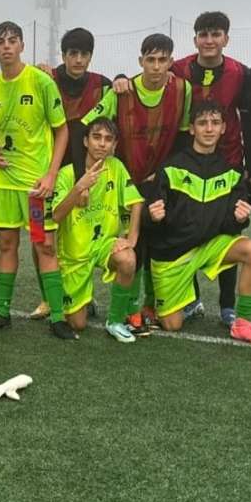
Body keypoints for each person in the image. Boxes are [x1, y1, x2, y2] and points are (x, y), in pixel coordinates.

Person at [83, 33, 192, 331]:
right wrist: (82, 173)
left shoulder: (182, 89)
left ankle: (153, 304)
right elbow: (87, 125)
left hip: (162, 180)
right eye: (150, 60)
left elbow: (184, 138)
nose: (156, 66)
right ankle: (129, 308)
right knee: (134, 246)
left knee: (160, 243)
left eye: (162, 60)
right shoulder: (122, 91)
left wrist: (167, 172)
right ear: (140, 61)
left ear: (171, 62)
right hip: (126, 183)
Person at [0, 21, 73, 338]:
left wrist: (51, 174)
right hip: (5, 183)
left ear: (21, 45)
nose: (7, 46)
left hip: (35, 185)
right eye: (1, 41)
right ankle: (2, 312)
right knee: (7, 245)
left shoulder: (41, 81)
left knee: (45, 246)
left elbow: (62, 130)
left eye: (12, 40)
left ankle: (57, 317)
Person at [144, 101, 251, 342]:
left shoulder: (231, 173)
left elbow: (229, 225)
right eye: (203, 123)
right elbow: (150, 220)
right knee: (172, 325)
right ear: (192, 129)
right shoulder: (171, 168)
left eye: (215, 123)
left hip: (208, 247)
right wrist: (153, 217)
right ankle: (185, 297)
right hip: (173, 255)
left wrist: (238, 219)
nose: (209, 129)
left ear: (223, 128)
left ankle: (244, 322)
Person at [169, 11, 249, 326]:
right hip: (188, 162)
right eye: (203, 34)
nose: (209, 40)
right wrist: (121, 76)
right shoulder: (178, 69)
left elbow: (249, 118)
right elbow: (149, 79)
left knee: (228, 228)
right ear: (195, 40)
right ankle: (191, 300)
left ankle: (228, 306)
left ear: (226, 38)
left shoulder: (239, 73)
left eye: (216, 34)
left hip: (228, 161)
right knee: (183, 226)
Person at [31, 27, 113, 319]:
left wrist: (123, 79)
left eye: (84, 54)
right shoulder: (44, 78)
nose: (78, 59)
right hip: (43, 174)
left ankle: (81, 296)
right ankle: (47, 296)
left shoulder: (103, 86)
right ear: (63, 55)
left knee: (82, 237)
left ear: (91, 56)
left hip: (84, 176)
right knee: (40, 237)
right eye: (73, 53)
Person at [51, 117, 143, 342]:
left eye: (108, 139)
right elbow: (56, 215)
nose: (102, 143)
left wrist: (131, 239)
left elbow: (136, 202)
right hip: (75, 255)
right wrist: (79, 188)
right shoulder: (67, 174)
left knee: (128, 259)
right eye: (96, 137)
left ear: (114, 145)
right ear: (85, 141)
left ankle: (115, 321)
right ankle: (84, 302)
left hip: (104, 245)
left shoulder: (116, 167)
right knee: (78, 324)